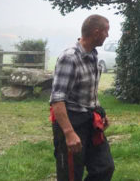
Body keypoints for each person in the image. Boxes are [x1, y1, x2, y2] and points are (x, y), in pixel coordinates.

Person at [50, 14, 115, 181]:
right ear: (96, 32)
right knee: (71, 176)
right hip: (72, 121)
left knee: (104, 167)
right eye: (106, 31)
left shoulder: (93, 55)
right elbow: (57, 100)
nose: (107, 35)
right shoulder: (69, 58)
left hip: (90, 120)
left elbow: (90, 91)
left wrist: (100, 113)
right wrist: (69, 133)